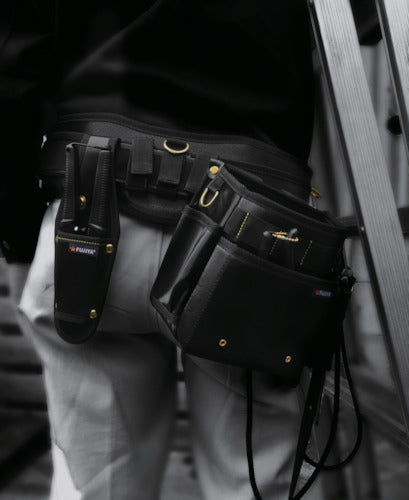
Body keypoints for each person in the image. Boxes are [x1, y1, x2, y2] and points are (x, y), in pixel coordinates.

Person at [1, 1, 328, 498]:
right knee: (257, 481)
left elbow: (13, 69)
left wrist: (20, 233)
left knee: (97, 484)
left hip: (92, 216)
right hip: (254, 231)